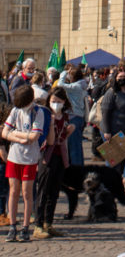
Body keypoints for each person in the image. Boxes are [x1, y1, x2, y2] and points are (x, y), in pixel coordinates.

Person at [2, 83, 45, 243]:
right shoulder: (15, 110)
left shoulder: (37, 112)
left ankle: (26, 227)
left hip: (30, 158)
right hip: (14, 157)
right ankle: (13, 226)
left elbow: (34, 137)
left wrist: (16, 134)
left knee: (27, 193)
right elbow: (5, 133)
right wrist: (22, 136)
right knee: (13, 192)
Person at [33, 85, 74, 239]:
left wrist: (69, 130)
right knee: (43, 190)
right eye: (53, 100)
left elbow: (63, 137)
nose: (56, 103)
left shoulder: (64, 116)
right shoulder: (44, 114)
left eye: (59, 101)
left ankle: (48, 223)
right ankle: (38, 224)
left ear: (64, 102)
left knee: (54, 191)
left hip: (60, 156)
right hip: (46, 156)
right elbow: (48, 140)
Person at [100, 63, 125, 193]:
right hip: (115, 130)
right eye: (119, 77)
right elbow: (105, 112)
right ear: (115, 79)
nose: (122, 79)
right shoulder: (112, 93)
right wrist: (107, 131)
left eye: (124, 76)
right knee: (114, 160)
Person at [58, 65, 87, 166]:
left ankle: (76, 169)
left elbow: (60, 84)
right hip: (79, 116)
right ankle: (78, 166)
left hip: (74, 116)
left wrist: (64, 73)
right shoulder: (82, 85)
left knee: (73, 146)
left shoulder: (76, 86)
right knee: (76, 145)